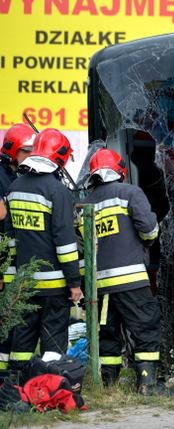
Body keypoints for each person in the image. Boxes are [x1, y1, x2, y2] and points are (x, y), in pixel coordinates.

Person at [80, 148, 163, 395]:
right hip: (131, 282)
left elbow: (82, 239)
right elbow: (149, 230)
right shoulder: (130, 193)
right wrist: (146, 242)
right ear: (120, 171)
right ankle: (147, 384)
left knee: (108, 334)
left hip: (101, 285)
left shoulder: (88, 200)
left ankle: (108, 387)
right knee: (145, 327)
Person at [5, 128, 83, 377]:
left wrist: (12, 279)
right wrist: (74, 282)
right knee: (52, 337)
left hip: (24, 283)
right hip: (53, 285)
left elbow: (10, 240)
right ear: (59, 157)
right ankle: (47, 384)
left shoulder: (14, 188)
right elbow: (65, 243)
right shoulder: (56, 191)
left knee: (23, 336)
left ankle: (16, 386)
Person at [0, 124, 35, 375]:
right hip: (3, 258)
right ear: (12, 150)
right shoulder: (1, 176)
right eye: (26, 151)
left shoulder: (18, 175)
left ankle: (9, 375)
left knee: (13, 319)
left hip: (14, 259)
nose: (31, 155)